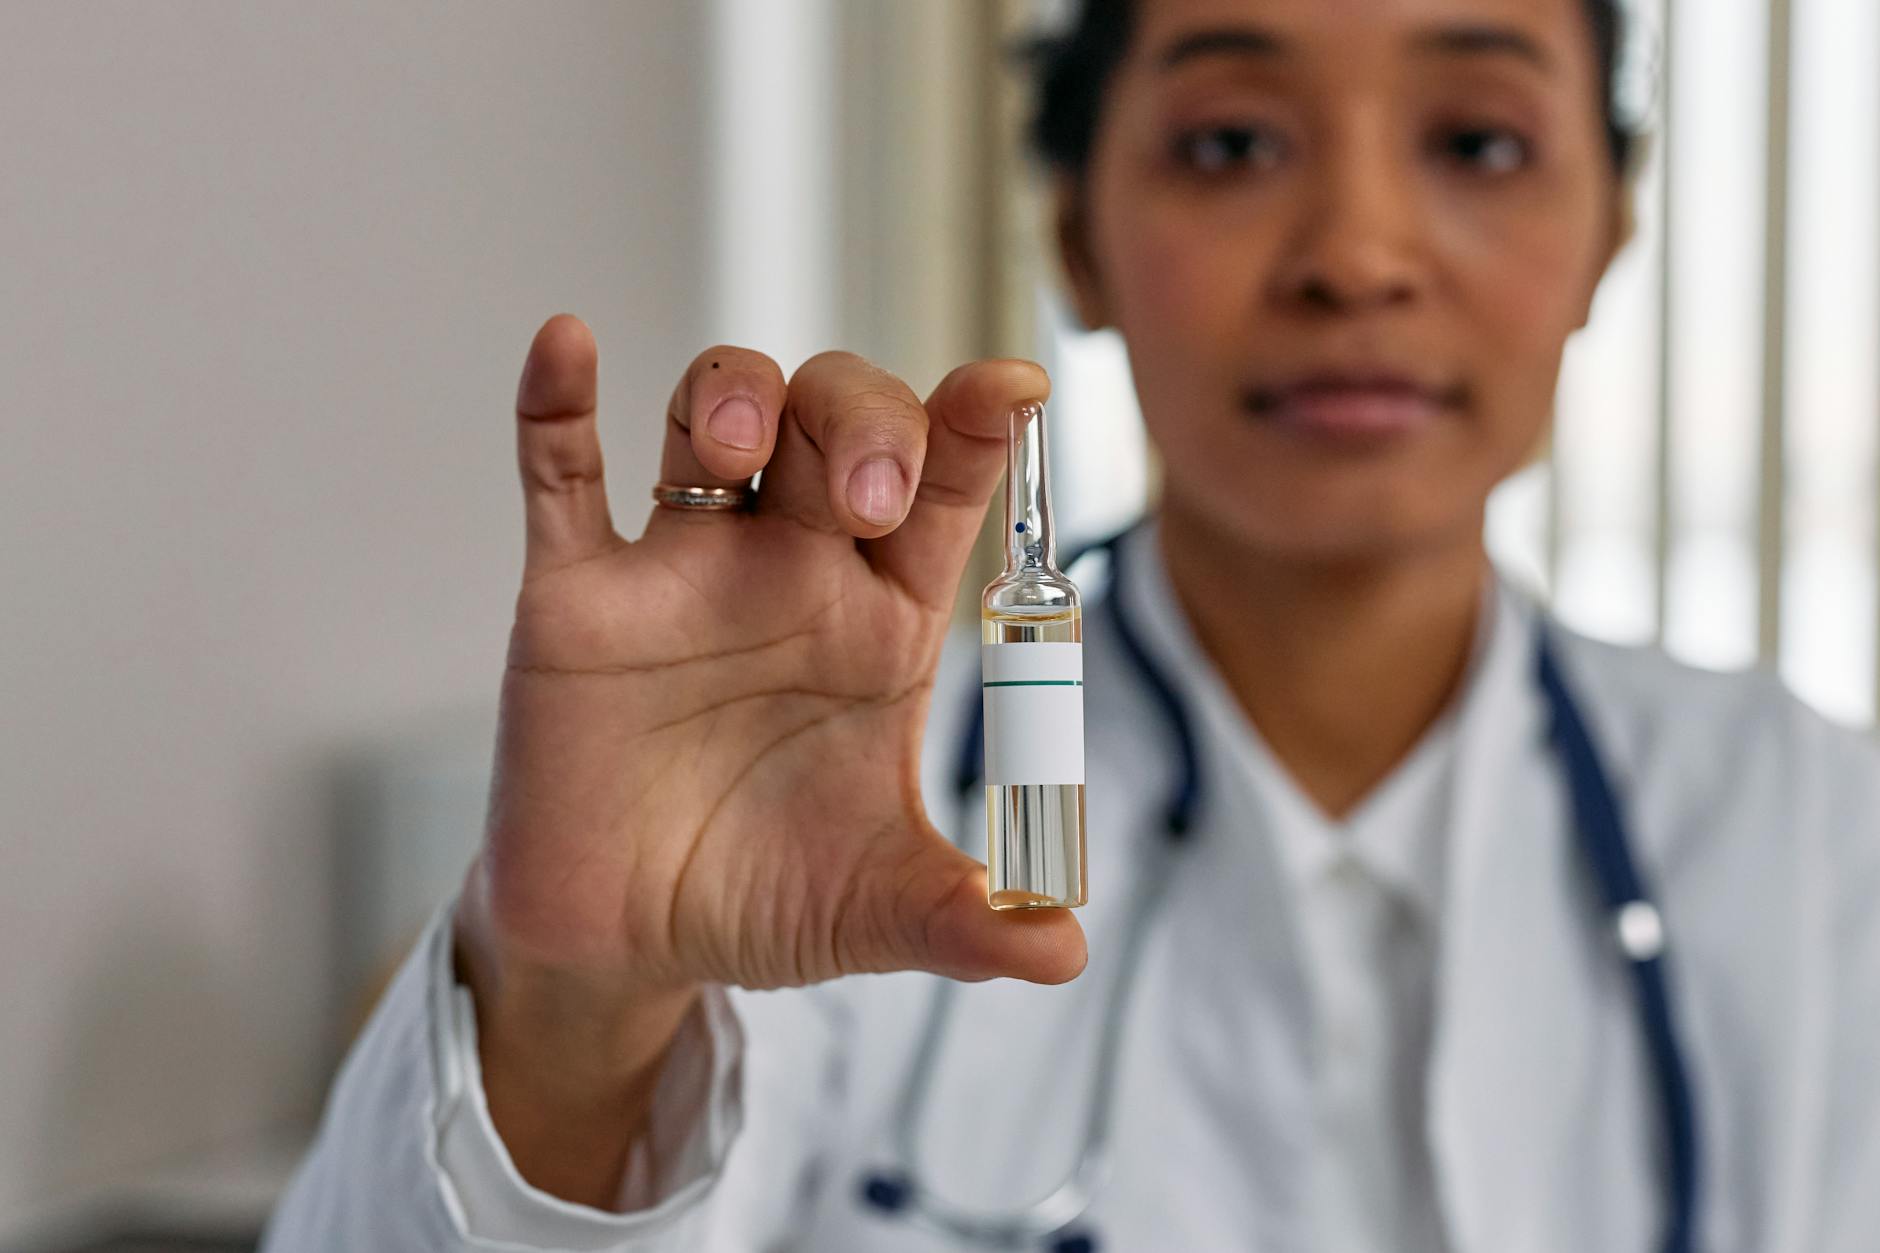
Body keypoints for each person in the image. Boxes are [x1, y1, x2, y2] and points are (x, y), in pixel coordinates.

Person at [264, 0, 1880, 1248]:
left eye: (1479, 142)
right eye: (1235, 144)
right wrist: (573, 1006)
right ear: (1073, 235)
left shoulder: (1822, 842)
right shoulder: (832, 812)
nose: (1359, 257)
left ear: (1612, 230)